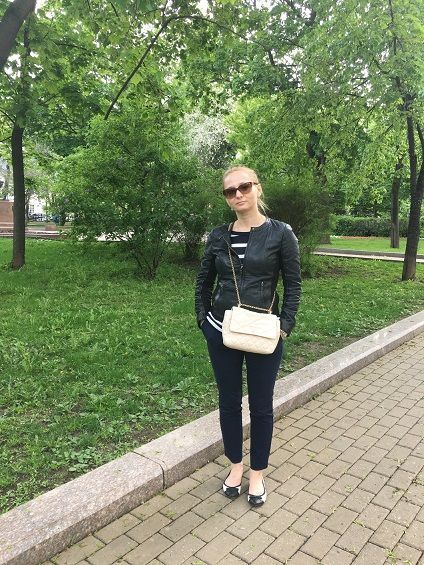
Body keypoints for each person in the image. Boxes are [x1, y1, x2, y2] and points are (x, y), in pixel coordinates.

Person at [195, 166, 301, 506]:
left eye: (244, 186)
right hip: (221, 331)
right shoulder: (218, 235)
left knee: (261, 407)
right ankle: (235, 467)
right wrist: (203, 321)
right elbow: (203, 282)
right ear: (226, 198)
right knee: (229, 402)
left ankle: (257, 474)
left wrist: (284, 326)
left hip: (264, 334)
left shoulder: (281, 233)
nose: (238, 194)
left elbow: (293, 284)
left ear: (258, 188)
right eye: (230, 191)